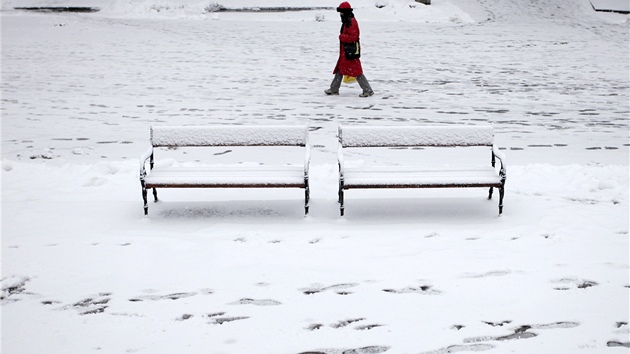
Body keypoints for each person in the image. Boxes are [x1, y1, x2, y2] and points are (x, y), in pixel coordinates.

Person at [325, 2, 374, 97]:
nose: (340, 14)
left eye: (341, 12)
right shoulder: (347, 21)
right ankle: (334, 89)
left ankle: (368, 90)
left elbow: (354, 37)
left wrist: (342, 37)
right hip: (346, 52)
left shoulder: (351, 22)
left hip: (350, 53)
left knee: (357, 72)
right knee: (340, 70)